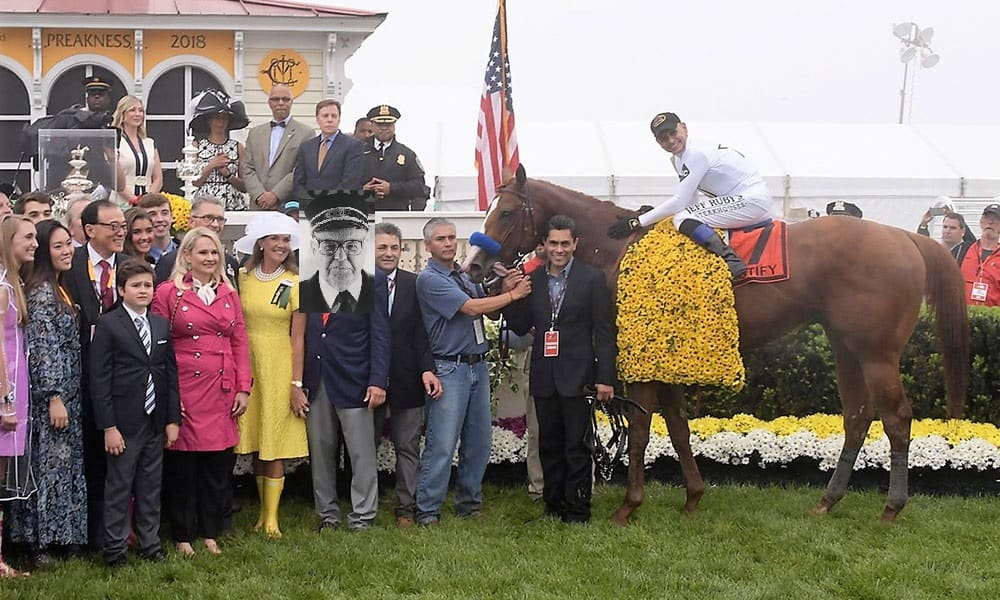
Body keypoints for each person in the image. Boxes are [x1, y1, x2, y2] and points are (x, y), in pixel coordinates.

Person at [414, 217, 531, 525]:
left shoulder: (462, 276)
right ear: (428, 246)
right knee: (442, 444)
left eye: (452, 237)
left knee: (479, 442)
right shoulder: (429, 279)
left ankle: (469, 504)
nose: (449, 243)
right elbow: (469, 309)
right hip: (449, 368)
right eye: (441, 239)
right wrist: (513, 296)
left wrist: (504, 288)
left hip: (476, 364)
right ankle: (427, 511)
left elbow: (488, 311)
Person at [503, 215, 616, 523]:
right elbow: (520, 324)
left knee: (576, 446)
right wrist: (509, 295)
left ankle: (578, 510)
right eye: (553, 243)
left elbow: (604, 332)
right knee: (548, 445)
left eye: (565, 243)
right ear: (544, 245)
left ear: (575, 244)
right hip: (544, 375)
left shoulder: (592, 279)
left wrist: (606, 378)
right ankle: (553, 507)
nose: (559, 249)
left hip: (578, 376)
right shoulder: (534, 280)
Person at [151, 228, 250, 557]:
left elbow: (239, 342)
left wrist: (243, 387)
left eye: (214, 253)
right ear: (187, 256)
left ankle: (210, 532)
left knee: (217, 465)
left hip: (220, 387)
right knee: (183, 466)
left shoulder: (229, 293)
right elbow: (158, 347)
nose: (210, 259)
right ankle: (182, 534)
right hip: (184, 385)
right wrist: (168, 395)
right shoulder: (168, 293)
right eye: (203, 252)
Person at [607, 112, 774, 280]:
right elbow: (689, 202)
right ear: (658, 142)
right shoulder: (679, 159)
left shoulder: (694, 153)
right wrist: (655, 214)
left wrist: (638, 222)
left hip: (751, 200)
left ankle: (729, 260)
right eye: (664, 138)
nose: (671, 140)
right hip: (745, 200)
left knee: (680, 218)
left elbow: (679, 203)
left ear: (684, 127)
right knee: (683, 217)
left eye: (673, 133)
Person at [8, 220, 88, 569]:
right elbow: (43, 348)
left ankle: (63, 535)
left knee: (64, 468)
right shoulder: (40, 293)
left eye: (68, 243)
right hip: (50, 399)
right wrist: (53, 395)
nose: (67, 251)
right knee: (46, 468)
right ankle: (39, 541)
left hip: (70, 393)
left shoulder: (59, 287)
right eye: (57, 245)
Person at [90, 259, 180, 567]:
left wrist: (172, 419)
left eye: (147, 285)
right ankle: (114, 549)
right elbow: (99, 379)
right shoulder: (109, 324)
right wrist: (108, 426)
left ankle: (149, 543)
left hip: (154, 419)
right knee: (119, 485)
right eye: (136, 285)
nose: (143, 291)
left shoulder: (158, 324)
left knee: (150, 484)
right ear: (121, 289)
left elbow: (169, 374)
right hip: (123, 421)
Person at [298, 269, 390, 532]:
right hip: (316, 378)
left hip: (356, 379)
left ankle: (363, 515)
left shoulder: (370, 279)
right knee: (321, 450)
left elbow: (380, 333)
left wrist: (377, 380)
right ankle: (327, 514)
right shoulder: (310, 276)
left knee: (361, 453)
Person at [232, 213, 307, 538]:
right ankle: (260, 515)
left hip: (278, 365)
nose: (280, 245)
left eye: (286, 240)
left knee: (273, 440)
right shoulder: (241, 277)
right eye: (274, 238)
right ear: (260, 243)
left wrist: (296, 383)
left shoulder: (297, 282)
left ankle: (271, 517)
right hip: (247, 363)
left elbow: (299, 337)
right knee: (256, 440)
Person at [62, 199, 128, 550]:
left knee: (116, 462)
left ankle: (113, 534)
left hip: (121, 383)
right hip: (81, 381)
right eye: (112, 226)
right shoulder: (70, 269)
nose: (120, 232)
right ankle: (83, 535)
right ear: (90, 230)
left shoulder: (132, 266)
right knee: (86, 458)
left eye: (122, 226)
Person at [372, 222, 441, 528]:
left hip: (408, 378)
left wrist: (427, 368)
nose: (389, 253)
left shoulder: (414, 284)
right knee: (363, 446)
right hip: (368, 381)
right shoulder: (357, 284)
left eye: (394, 247)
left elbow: (421, 333)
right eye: (382, 247)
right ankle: (363, 504)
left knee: (408, 446)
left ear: (402, 250)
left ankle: (406, 507)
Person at [0, 215, 37, 578]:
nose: (35, 243)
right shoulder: (3, 288)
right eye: (28, 237)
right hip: (5, 392)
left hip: (14, 389)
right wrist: (5, 401)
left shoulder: (14, 283)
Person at [242, 84, 314, 212]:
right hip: (258, 206)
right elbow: (247, 168)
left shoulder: (306, 133)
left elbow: (301, 170)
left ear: (292, 102)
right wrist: (259, 195)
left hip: (287, 206)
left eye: (285, 99)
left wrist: (275, 195)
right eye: (276, 99)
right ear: (269, 103)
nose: (280, 103)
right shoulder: (254, 133)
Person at [299, 205, 374, 314]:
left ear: (365, 247)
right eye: (329, 246)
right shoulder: (298, 294)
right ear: (314, 248)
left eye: (352, 246)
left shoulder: (381, 290)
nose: (341, 257)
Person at [154, 196, 238, 286]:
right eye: (208, 218)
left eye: (220, 219)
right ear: (191, 222)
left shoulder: (230, 263)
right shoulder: (169, 262)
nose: (215, 224)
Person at [361, 105, 430, 211]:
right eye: (380, 124)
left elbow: (419, 188)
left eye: (388, 124)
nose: (384, 128)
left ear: (394, 125)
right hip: (363, 215)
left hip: (395, 215)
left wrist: (391, 188)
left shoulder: (407, 154)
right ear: (373, 125)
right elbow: (342, 185)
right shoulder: (356, 152)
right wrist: (362, 191)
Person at [292, 99, 364, 201]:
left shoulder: (353, 146)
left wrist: (325, 201)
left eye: (334, 116)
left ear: (339, 119)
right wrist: (306, 200)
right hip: (308, 207)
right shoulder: (306, 147)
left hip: (339, 205)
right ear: (317, 119)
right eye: (325, 116)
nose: (329, 120)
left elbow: (350, 181)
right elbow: (298, 181)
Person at [190, 89, 250, 211]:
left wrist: (228, 175)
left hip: (232, 203)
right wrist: (212, 165)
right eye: (217, 117)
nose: (221, 122)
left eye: (224, 118)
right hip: (205, 202)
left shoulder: (238, 147)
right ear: (209, 120)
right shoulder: (197, 146)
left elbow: (245, 186)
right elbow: (194, 182)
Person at [111, 96, 163, 207]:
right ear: (122, 114)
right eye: (132, 110)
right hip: (122, 200)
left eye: (141, 110)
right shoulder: (115, 142)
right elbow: (113, 177)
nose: (138, 114)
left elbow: (158, 178)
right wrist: (135, 201)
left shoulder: (149, 143)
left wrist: (147, 200)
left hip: (148, 202)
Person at [957, 203, 1000, 307]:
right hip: (963, 315)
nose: (990, 222)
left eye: (996, 219)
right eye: (987, 218)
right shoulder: (962, 249)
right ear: (981, 222)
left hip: (993, 319)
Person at [136, 193, 177, 264]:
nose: (160, 219)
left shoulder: (186, 252)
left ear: (172, 217)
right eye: (152, 214)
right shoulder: (136, 258)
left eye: (164, 213)